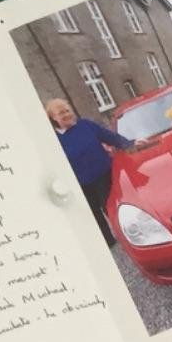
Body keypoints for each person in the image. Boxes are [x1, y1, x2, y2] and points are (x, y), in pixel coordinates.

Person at [45, 97, 133, 246]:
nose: (67, 114)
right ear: (53, 118)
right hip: (80, 184)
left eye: (68, 110)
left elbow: (109, 137)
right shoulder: (52, 140)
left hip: (104, 175)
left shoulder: (85, 125)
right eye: (61, 113)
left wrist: (129, 144)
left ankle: (129, 237)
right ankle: (108, 243)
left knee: (111, 208)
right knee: (93, 214)